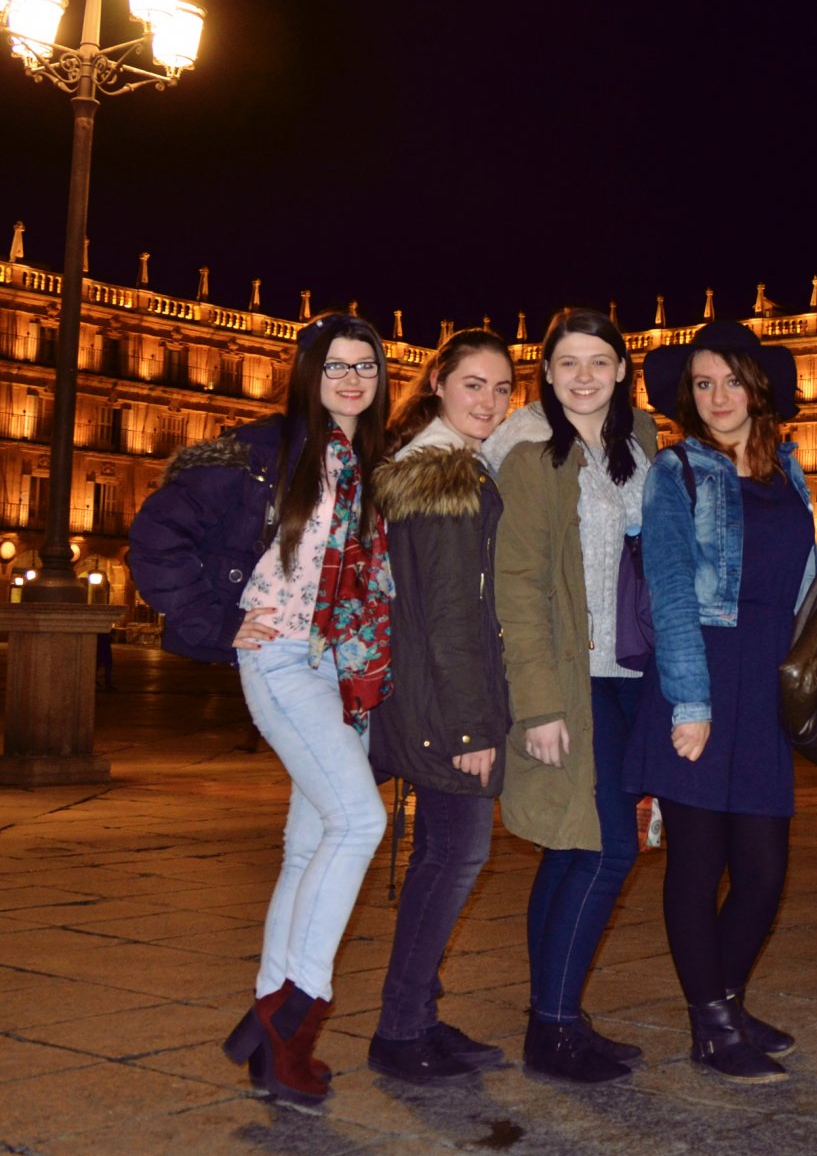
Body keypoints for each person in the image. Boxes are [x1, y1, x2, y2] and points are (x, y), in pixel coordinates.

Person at [128, 312, 395, 1110]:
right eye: (336, 366)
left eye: (366, 368)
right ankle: (293, 1021)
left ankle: (265, 1007)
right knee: (360, 822)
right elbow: (157, 533)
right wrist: (216, 622)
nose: (351, 380)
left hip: (342, 667)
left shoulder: (371, 461)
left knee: (309, 838)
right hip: (281, 658)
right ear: (307, 373)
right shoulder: (260, 451)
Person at [627, 323, 817, 1082]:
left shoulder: (790, 472)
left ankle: (725, 997)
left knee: (765, 867)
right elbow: (670, 586)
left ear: (757, 388)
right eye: (703, 384)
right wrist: (690, 700)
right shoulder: (676, 470)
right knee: (698, 863)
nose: (718, 397)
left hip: (765, 676)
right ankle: (711, 1021)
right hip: (702, 670)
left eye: (731, 381)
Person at [483, 308, 659, 1085]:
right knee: (604, 846)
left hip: (630, 678)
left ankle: (554, 1015)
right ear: (546, 375)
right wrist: (538, 704)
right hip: (572, 678)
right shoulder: (531, 458)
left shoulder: (640, 447)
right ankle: (553, 1025)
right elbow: (517, 587)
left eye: (598, 362)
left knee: (570, 849)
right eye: (567, 364)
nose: (584, 377)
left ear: (623, 369)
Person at [363, 329, 518, 1086]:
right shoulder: (446, 476)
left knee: (443, 858)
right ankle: (400, 1028)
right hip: (442, 704)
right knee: (454, 858)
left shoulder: (431, 465)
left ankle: (416, 1013)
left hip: (418, 694)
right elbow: (456, 611)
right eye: (473, 385)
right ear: (438, 385)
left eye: (501, 387)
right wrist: (471, 726)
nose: (488, 401)